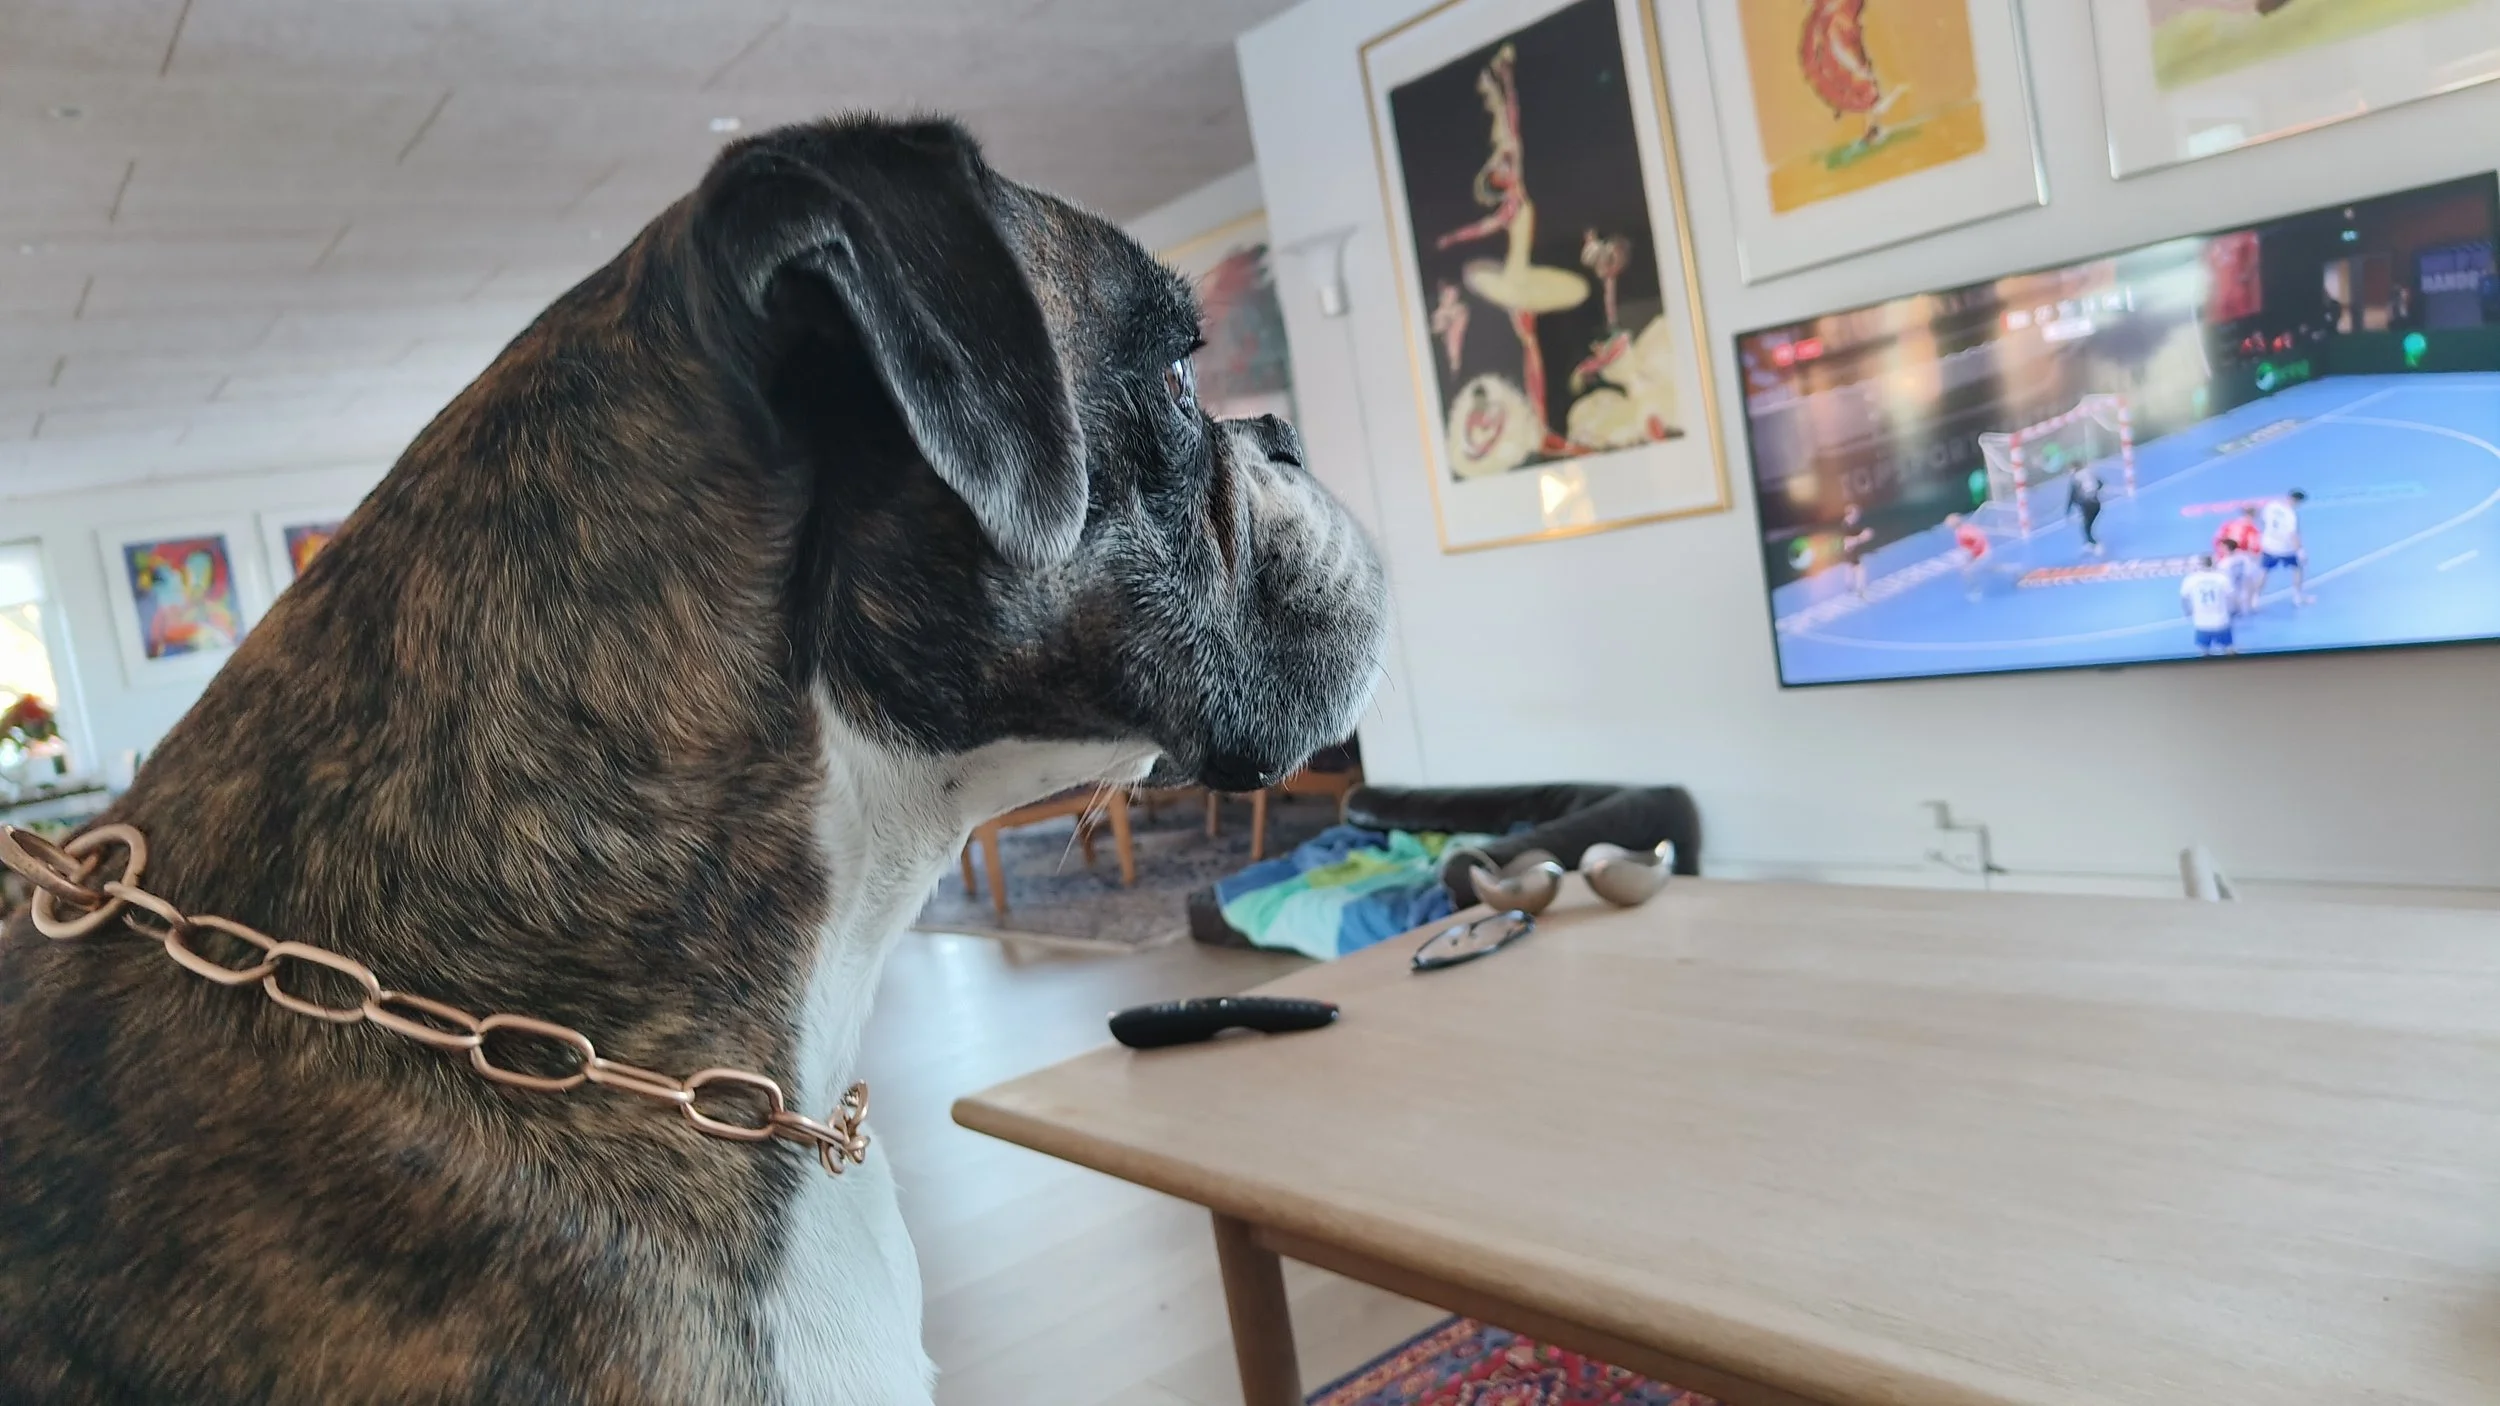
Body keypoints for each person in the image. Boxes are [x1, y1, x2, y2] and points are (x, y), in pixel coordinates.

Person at [2258, 489, 2313, 604]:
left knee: (2264, 571)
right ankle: (2297, 597)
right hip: (2285, 548)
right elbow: (2292, 535)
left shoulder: (2271, 505)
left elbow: (2263, 520)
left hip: (2269, 545)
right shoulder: (2290, 514)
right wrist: (2300, 551)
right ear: (2297, 501)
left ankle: (2255, 598)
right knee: (2297, 568)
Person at [2180, 554, 2237, 656]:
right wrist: (2233, 612)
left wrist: (2188, 612)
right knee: (2229, 650)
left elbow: (2184, 598)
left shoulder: (2191, 579)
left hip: (2202, 622)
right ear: (2213, 564)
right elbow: (2232, 597)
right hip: (2221, 621)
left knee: (2205, 652)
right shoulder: (2222, 578)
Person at [2218, 536, 2264, 618]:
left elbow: (2222, 582)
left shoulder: (2223, 564)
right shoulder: (2244, 557)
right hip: (2243, 591)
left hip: (2232, 593)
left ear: (2227, 548)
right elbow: (2252, 572)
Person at [1946, 512, 1988, 600]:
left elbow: (1978, 541)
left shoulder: (1963, 532)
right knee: (1973, 570)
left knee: (1968, 571)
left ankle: (1976, 590)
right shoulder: (1962, 530)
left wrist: (1974, 556)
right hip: (1981, 553)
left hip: (1982, 554)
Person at [1839, 502, 1875, 597]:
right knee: (1860, 569)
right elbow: (1849, 542)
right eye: (1855, 513)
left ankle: (1849, 584)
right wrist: (1862, 537)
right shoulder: (1845, 526)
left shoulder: (1854, 524)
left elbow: (1858, 534)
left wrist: (1864, 534)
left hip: (1853, 550)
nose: (1857, 516)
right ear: (1850, 514)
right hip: (1849, 551)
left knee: (1850, 567)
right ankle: (1860, 590)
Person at [2067, 465, 2105, 555]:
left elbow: (2072, 496)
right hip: (2096, 503)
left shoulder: (2075, 479)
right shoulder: (2088, 473)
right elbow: (2100, 483)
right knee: (2087, 525)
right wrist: (2093, 492)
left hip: (2087, 505)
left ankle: (2095, 544)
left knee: (2086, 527)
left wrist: (2068, 510)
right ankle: (2089, 543)